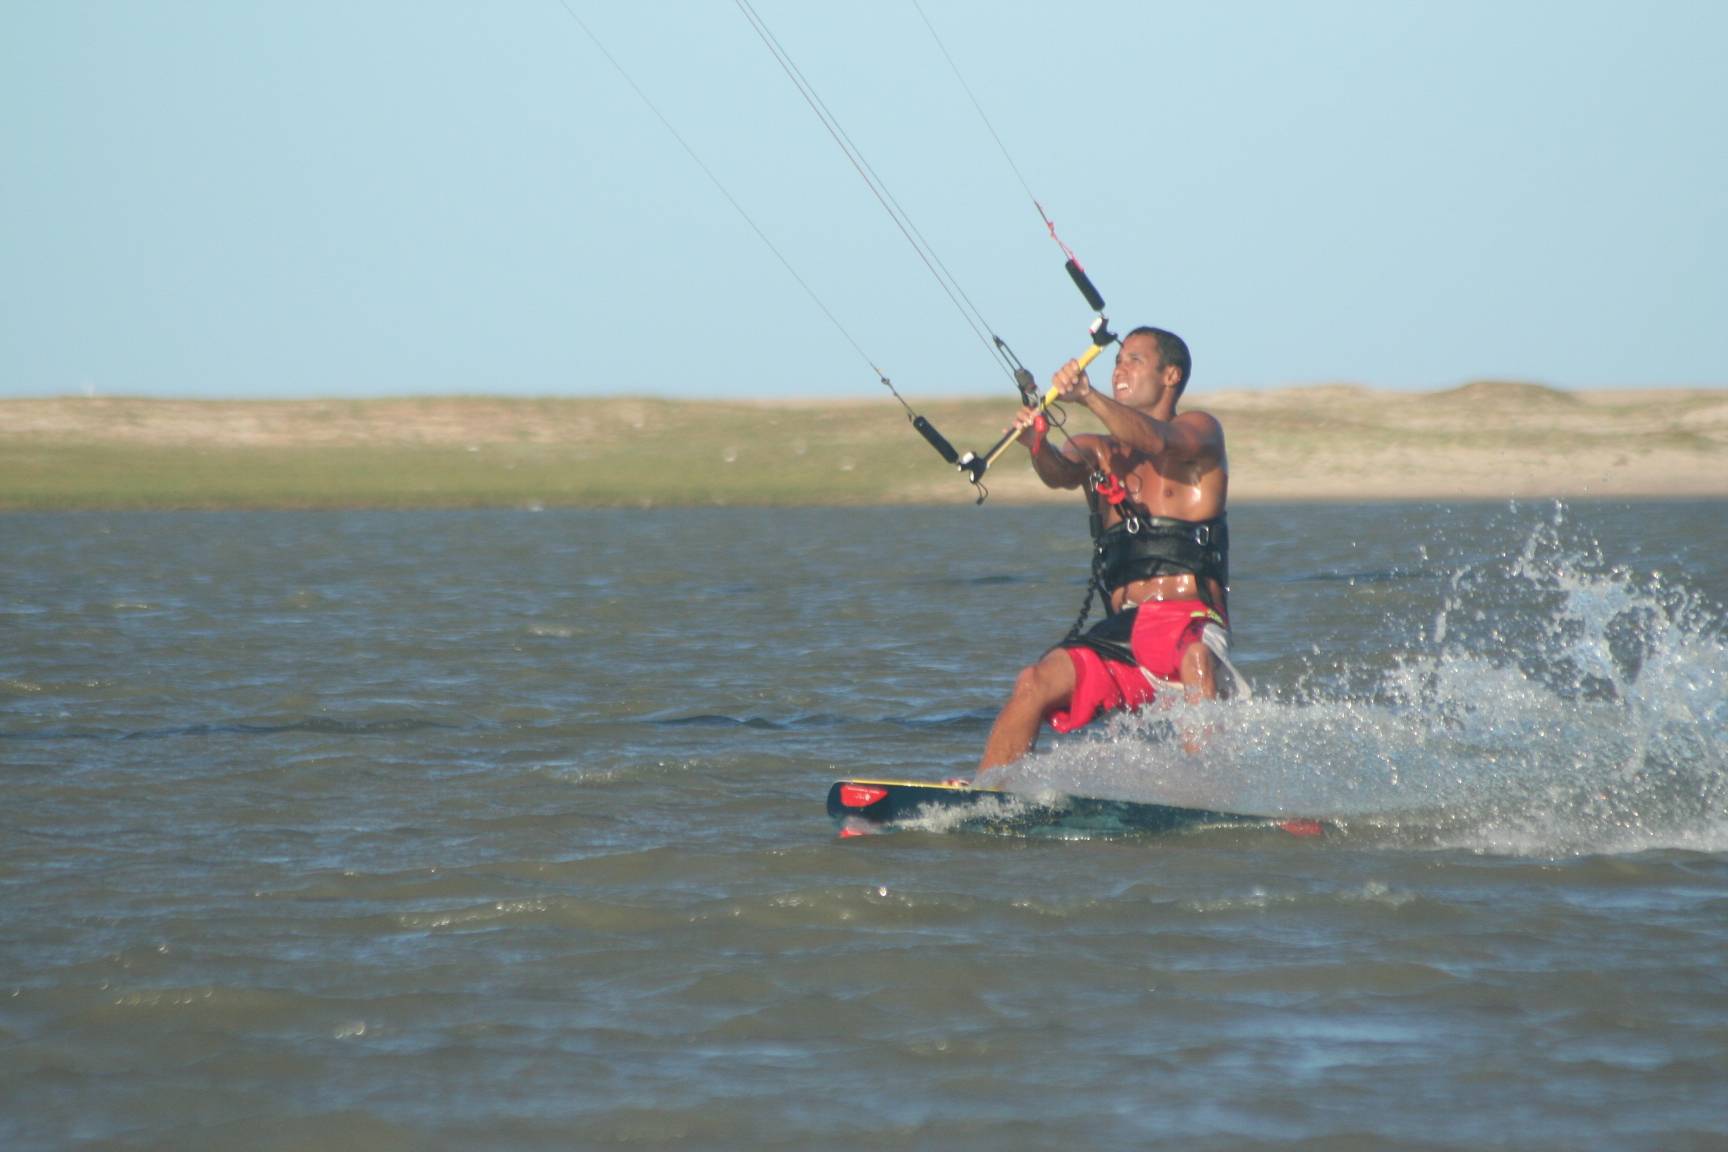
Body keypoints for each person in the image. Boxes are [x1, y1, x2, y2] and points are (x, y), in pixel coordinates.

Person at [973, 325, 1245, 776]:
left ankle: (1212, 787)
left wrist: (1089, 396)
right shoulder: (1099, 450)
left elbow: (1156, 442)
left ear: (1170, 375)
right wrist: (1036, 443)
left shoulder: (1199, 431)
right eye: (1118, 361)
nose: (1120, 368)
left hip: (1189, 623)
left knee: (1195, 658)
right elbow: (1060, 471)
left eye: (1134, 360)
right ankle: (986, 792)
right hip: (1123, 633)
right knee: (1033, 681)